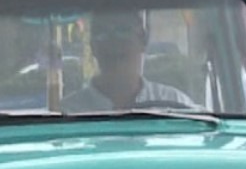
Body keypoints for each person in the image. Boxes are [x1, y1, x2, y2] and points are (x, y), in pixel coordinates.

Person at [64, 12, 192, 113]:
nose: (113, 43)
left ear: (143, 39)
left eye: (123, 31)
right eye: (102, 33)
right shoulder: (68, 114)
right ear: (93, 46)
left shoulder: (177, 106)